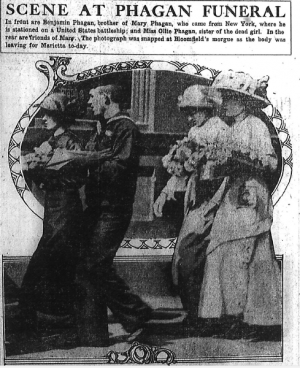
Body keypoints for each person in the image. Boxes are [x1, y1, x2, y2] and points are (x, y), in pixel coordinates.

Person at [197, 70, 282, 339]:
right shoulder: (231, 128)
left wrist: (242, 163)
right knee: (220, 251)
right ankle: (225, 315)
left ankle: (254, 319)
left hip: (250, 194)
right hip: (232, 193)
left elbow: (269, 162)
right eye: (227, 98)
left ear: (246, 102)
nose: (228, 103)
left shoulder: (256, 125)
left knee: (244, 254)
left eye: (234, 98)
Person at [73, 84, 152, 347]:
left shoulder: (125, 128)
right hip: (96, 207)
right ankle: (93, 333)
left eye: (93, 98)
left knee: (95, 263)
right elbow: (89, 157)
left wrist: (89, 160)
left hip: (113, 209)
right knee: (85, 264)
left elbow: (119, 167)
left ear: (107, 99)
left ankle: (136, 313)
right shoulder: (101, 127)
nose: (89, 103)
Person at [154, 85, 229, 324]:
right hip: (196, 198)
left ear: (206, 109)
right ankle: (194, 312)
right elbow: (183, 170)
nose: (190, 116)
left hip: (215, 200)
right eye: (187, 111)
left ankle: (203, 315)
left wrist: (214, 201)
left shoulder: (221, 130)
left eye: (193, 110)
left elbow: (226, 172)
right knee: (185, 256)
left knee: (192, 255)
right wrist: (165, 192)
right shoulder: (194, 131)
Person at [19, 93, 86, 332]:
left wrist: (46, 172)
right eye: (44, 113)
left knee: (55, 256)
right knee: (51, 256)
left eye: (49, 114)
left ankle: (46, 314)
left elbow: (77, 177)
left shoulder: (72, 142)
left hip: (66, 206)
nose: (44, 118)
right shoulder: (50, 140)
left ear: (60, 116)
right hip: (54, 206)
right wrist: (36, 169)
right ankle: (42, 314)